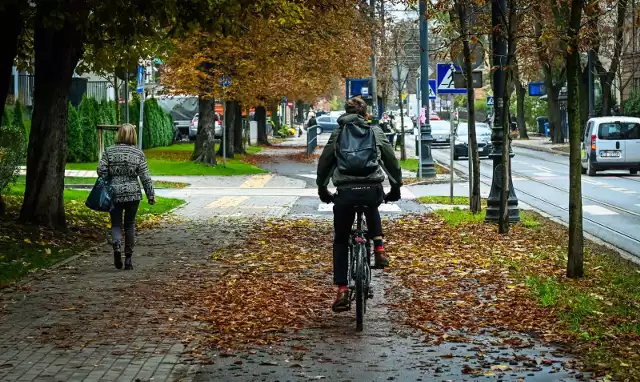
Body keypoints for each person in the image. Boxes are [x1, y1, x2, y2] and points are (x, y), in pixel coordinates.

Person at [316, 97, 403, 312]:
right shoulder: (374, 132)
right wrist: (396, 187)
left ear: (345, 113)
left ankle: (342, 290)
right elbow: (391, 160)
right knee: (372, 203)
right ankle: (380, 249)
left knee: (341, 240)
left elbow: (325, 162)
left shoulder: (338, 133)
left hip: (345, 192)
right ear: (366, 114)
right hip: (371, 189)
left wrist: (322, 188)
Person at [97, 124, 155, 270]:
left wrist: (109, 174)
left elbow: (101, 170)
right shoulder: (138, 153)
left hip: (113, 194)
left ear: (119, 135)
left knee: (116, 223)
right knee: (130, 225)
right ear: (133, 135)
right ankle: (128, 259)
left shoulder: (109, 151)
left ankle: (116, 247)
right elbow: (145, 176)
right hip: (133, 194)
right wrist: (150, 195)